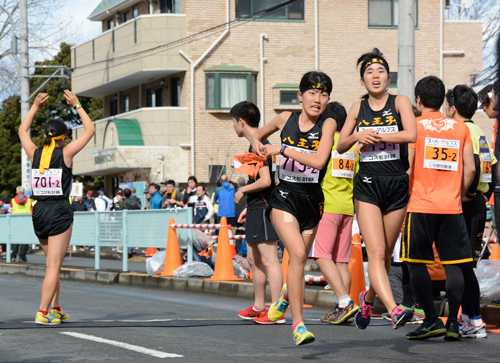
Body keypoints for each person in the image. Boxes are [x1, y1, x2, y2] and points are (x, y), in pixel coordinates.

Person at [251, 71, 336, 345]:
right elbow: (257, 136)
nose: (318, 99)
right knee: (297, 253)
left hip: (312, 202)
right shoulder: (284, 119)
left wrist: (282, 149)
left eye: (324, 94)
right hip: (284, 197)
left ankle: (284, 300)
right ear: (300, 96)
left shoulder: (328, 123)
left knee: (300, 261)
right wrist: (259, 149)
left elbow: (320, 161)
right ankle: (298, 324)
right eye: (312, 93)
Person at [337, 48, 417, 329]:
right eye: (369, 72)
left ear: (388, 77)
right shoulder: (358, 108)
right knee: (376, 252)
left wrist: (376, 135)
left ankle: (367, 299)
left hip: (396, 184)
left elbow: (411, 134)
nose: (375, 75)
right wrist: (357, 134)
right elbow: (340, 144)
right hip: (368, 186)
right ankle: (395, 309)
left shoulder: (400, 102)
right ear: (362, 81)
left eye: (380, 71)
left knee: (384, 256)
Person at [402, 76, 475, 340]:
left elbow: (407, 167)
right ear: (443, 100)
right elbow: (471, 169)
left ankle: (432, 320)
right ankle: (453, 323)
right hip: (452, 207)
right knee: (454, 265)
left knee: (415, 263)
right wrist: (461, 194)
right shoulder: (460, 128)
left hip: (420, 205)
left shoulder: (414, 127)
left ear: (419, 100)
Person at [18, 90, 95, 325]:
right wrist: (77, 104)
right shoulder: (66, 153)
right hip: (60, 211)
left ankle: (56, 307)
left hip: (39, 211)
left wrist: (35, 107)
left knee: (53, 263)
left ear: (44, 136)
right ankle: (42, 311)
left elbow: (22, 131)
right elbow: (90, 130)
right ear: (63, 139)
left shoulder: (35, 153)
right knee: (53, 265)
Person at [444, 84, 493, 338]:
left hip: (464, 202)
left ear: (453, 108)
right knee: (465, 264)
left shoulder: (460, 130)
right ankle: (469, 318)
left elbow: (472, 166)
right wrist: (484, 193)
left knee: (461, 265)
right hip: (477, 202)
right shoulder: (478, 130)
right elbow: (492, 167)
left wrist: (465, 192)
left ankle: (474, 321)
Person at [231, 101, 283, 325]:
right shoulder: (255, 143)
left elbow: (266, 180)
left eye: (233, 122)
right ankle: (259, 306)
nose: (233, 126)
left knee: (270, 260)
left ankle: (276, 310)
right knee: (253, 259)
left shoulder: (258, 144)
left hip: (264, 207)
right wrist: (248, 208)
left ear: (241, 122)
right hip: (256, 207)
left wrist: (243, 189)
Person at [309, 101, 360, 324]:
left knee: (321, 256)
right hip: (348, 208)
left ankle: (344, 301)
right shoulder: (351, 147)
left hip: (327, 205)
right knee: (341, 261)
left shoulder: (326, 143)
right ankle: (343, 309)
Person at [10, 186, 33, 262]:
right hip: (26, 222)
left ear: (16, 192)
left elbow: (10, 212)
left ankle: (13, 256)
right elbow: (32, 212)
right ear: (23, 192)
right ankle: (22, 257)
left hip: (15, 222)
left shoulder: (13, 200)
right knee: (25, 240)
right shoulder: (29, 201)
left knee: (15, 239)